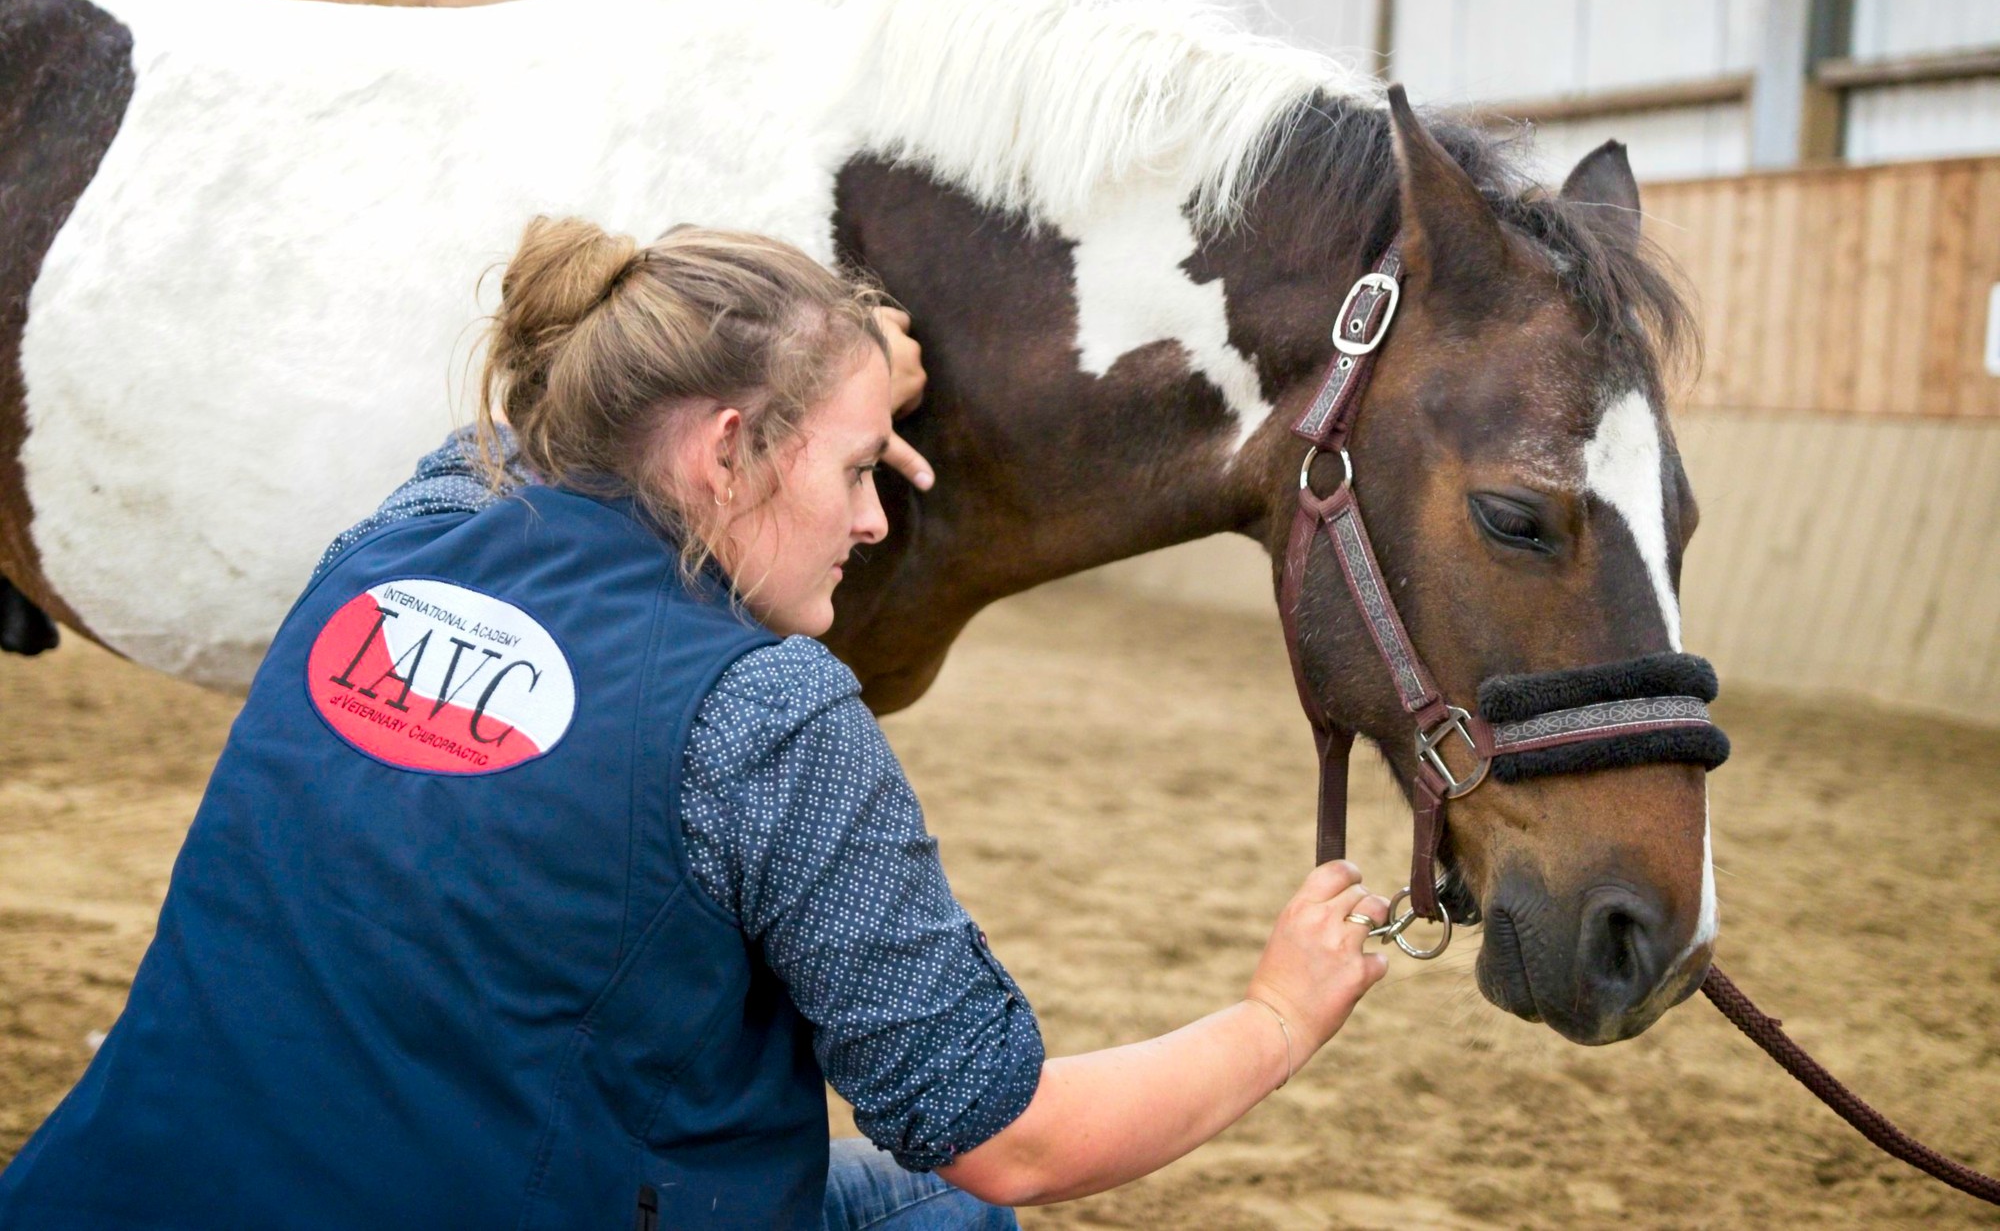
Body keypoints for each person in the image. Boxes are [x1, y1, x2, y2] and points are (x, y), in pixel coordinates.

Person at [0, 218, 1391, 1230]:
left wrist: (847, 379)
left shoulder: (405, 529)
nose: (870, 515)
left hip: (115, 1190)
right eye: (856, 466)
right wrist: (1277, 1015)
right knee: (951, 1213)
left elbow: (593, 395)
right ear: (725, 448)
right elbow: (1006, 1137)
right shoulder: (764, 714)